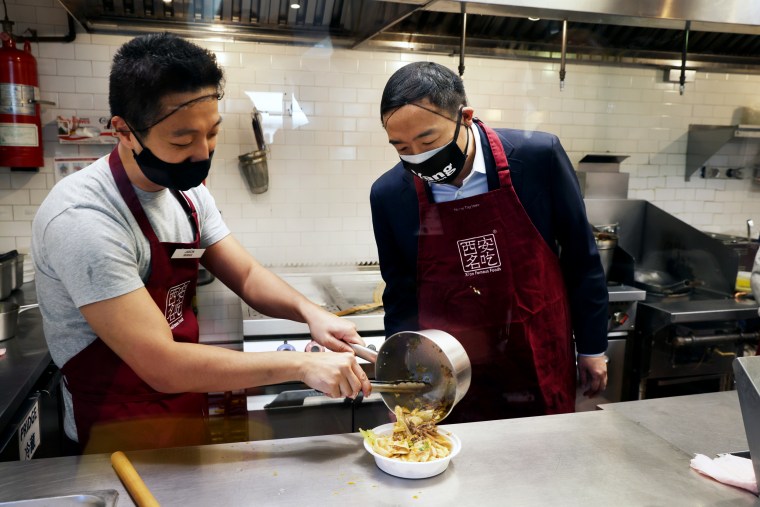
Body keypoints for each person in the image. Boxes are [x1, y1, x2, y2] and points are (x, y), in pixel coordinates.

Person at [31, 33, 371, 454]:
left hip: (184, 413)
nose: (201, 153)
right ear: (123, 130)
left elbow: (245, 274)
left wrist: (312, 314)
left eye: (211, 133)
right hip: (112, 434)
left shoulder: (187, 194)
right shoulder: (85, 218)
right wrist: (302, 364)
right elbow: (162, 364)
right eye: (180, 140)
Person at [370, 62, 609, 423]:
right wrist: (400, 378)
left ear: (465, 117)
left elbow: (581, 257)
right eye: (401, 147)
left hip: (537, 351)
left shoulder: (538, 157)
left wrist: (592, 347)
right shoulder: (389, 195)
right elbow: (401, 293)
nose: (417, 156)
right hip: (452, 368)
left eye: (428, 141)